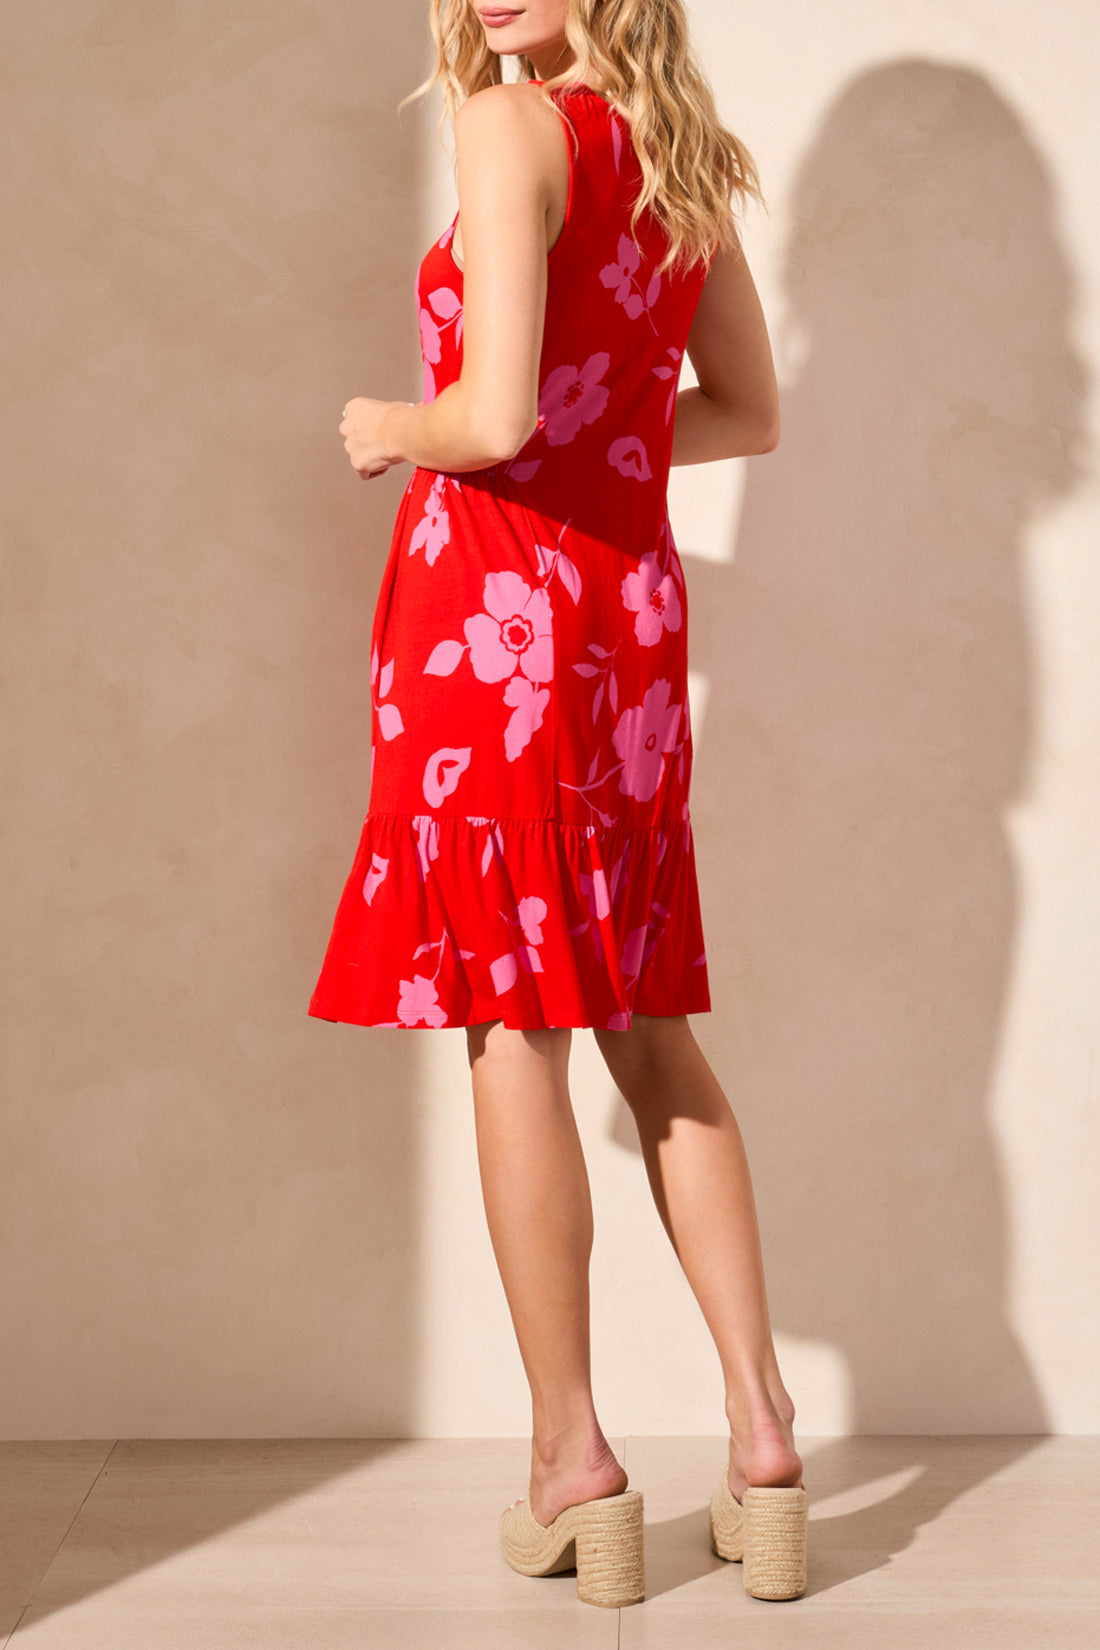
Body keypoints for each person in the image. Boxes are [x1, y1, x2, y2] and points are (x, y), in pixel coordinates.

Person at [309, 0, 807, 1608]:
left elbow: (497, 416)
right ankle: (764, 1429)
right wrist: (608, 458)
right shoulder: (680, 154)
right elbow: (745, 408)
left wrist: (396, 426)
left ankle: (570, 1453)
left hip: (490, 634)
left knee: (511, 1029)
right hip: (625, 633)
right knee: (647, 1020)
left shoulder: (507, 124)